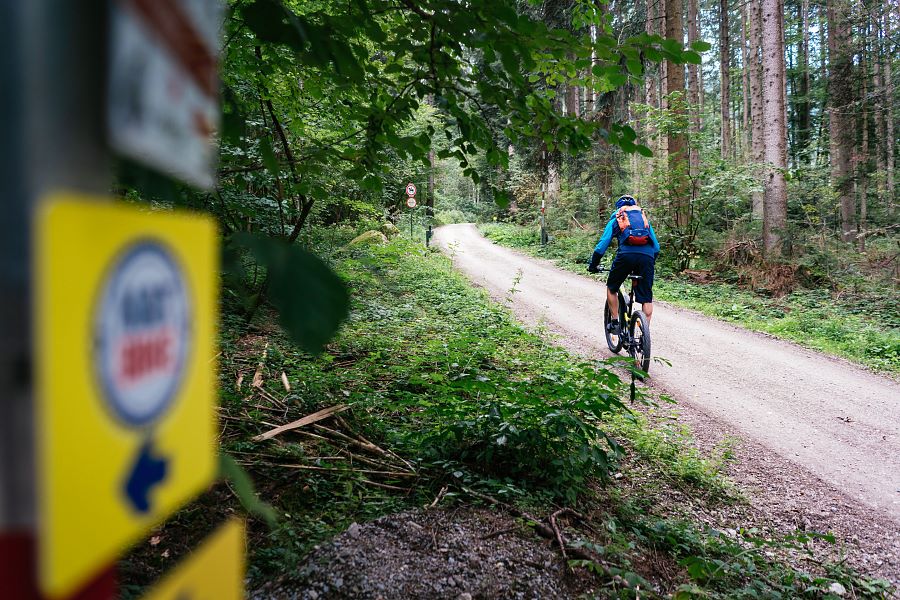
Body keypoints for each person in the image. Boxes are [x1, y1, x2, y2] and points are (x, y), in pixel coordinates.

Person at [587, 195, 660, 334]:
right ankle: (643, 335)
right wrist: (649, 263)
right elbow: (656, 248)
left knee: (612, 288)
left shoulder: (617, 218)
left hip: (626, 256)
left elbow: (601, 246)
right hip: (647, 257)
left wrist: (593, 264)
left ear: (619, 208)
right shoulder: (644, 220)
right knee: (646, 297)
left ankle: (615, 322)